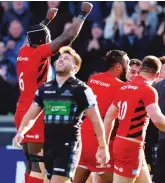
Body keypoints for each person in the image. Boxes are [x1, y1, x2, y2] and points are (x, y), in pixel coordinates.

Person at [14, 3, 94, 183]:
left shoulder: (23, 50)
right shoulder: (39, 53)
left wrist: (47, 20)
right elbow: (67, 37)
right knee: (39, 163)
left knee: (31, 161)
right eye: (48, 40)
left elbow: (33, 35)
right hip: (36, 111)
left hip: (21, 110)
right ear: (44, 43)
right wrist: (82, 15)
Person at [13, 46, 109, 183]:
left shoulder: (81, 89)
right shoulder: (44, 89)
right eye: (60, 58)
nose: (61, 60)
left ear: (75, 68)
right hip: (49, 147)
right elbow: (31, 115)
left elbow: (96, 119)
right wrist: (21, 131)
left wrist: (103, 146)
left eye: (66, 59)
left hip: (68, 146)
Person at [103, 56, 165, 183]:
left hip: (125, 143)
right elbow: (157, 119)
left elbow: (108, 117)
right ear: (157, 74)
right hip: (130, 147)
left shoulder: (124, 88)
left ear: (140, 69)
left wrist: (104, 145)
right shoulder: (148, 90)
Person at [74, 50, 130, 183]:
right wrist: (103, 145)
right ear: (118, 66)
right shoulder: (121, 87)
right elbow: (111, 119)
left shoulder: (93, 78)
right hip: (100, 138)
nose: (128, 67)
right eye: (127, 63)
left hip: (83, 135)